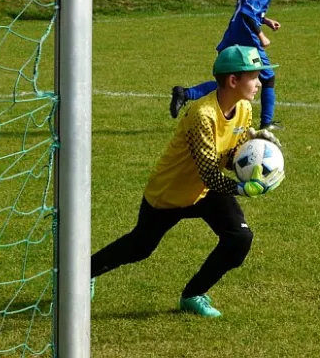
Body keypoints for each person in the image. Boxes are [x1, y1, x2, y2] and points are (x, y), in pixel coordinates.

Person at [91, 45, 286, 318]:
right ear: (233, 80)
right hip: (170, 192)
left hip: (205, 191)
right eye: (254, 76)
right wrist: (243, 188)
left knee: (238, 239)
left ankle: (194, 294)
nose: (259, 82)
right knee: (140, 248)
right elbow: (209, 172)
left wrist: (257, 156)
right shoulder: (202, 114)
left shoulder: (243, 109)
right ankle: (84, 274)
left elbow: (230, 158)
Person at [170, 0, 284, 131]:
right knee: (268, 78)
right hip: (248, 42)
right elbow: (247, 13)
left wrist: (266, 21)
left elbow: (245, 8)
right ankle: (266, 123)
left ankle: (185, 93)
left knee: (228, 83)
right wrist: (261, 35)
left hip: (232, 36)